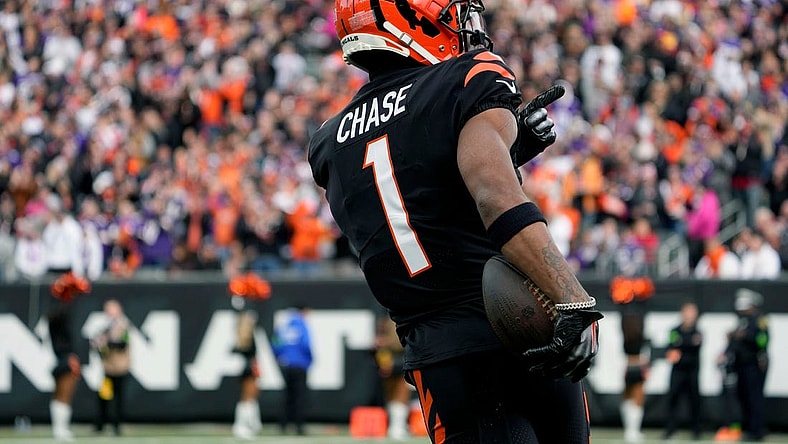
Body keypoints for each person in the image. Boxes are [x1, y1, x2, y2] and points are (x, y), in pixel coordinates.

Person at [307, 1, 602, 442]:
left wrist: (511, 149)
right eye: (447, 13)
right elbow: (494, 195)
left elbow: (418, 199)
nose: (460, 22)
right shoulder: (466, 78)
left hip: (438, 353)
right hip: (522, 327)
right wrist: (572, 299)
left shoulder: (328, 142)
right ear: (409, 21)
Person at [48, 272, 91, 441]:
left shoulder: (58, 313)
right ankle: (61, 429)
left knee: (60, 394)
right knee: (65, 393)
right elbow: (62, 311)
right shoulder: (58, 314)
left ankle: (59, 428)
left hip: (62, 355)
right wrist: (68, 291)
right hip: (65, 356)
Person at [729, 288, 769, 441]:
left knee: (754, 398)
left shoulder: (760, 321)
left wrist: (746, 336)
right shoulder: (743, 321)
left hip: (754, 365)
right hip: (742, 364)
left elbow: (762, 341)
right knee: (743, 397)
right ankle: (748, 428)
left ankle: (757, 430)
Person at [90, 299, 131, 436]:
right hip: (108, 369)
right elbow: (101, 348)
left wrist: (106, 342)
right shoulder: (105, 327)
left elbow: (122, 344)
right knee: (104, 396)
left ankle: (116, 425)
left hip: (120, 369)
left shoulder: (123, 325)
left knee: (118, 397)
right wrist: (99, 345)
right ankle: (101, 424)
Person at [663, 301, 703, 440]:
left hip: (692, 371)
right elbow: (671, 347)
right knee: (673, 399)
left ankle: (696, 430)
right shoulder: (675, 331)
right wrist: (684, 345)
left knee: (694, 401)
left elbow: (694, 345)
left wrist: (682, 344)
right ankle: (670, 429)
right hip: (678, 371)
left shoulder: (697, 332)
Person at [271, 304, 313, 436]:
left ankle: (283, 425)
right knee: (300, 396)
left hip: (286, 365)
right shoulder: (302, 324)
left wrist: (280, 356)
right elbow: (306, 344)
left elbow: (275, 342)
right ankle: (299, 426)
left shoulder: (284, 325)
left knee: (287, 396)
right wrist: (309, 360)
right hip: (300, 365)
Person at [374, 317, 412, 440]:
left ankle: (398, 425)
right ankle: (395, 425)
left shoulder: (404, 318)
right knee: (391, 393)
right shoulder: (386, 320)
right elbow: (381, 340)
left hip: (404, 357)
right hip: (390, 359)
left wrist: (388, 342)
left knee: (402, 391)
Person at [231, 310, 263, 440]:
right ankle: (241, 426)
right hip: (247, 369)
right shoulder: (245, 336)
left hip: (250, 369)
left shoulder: (248, 335)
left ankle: (250, 424)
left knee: (251, 397)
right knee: (247, 398)